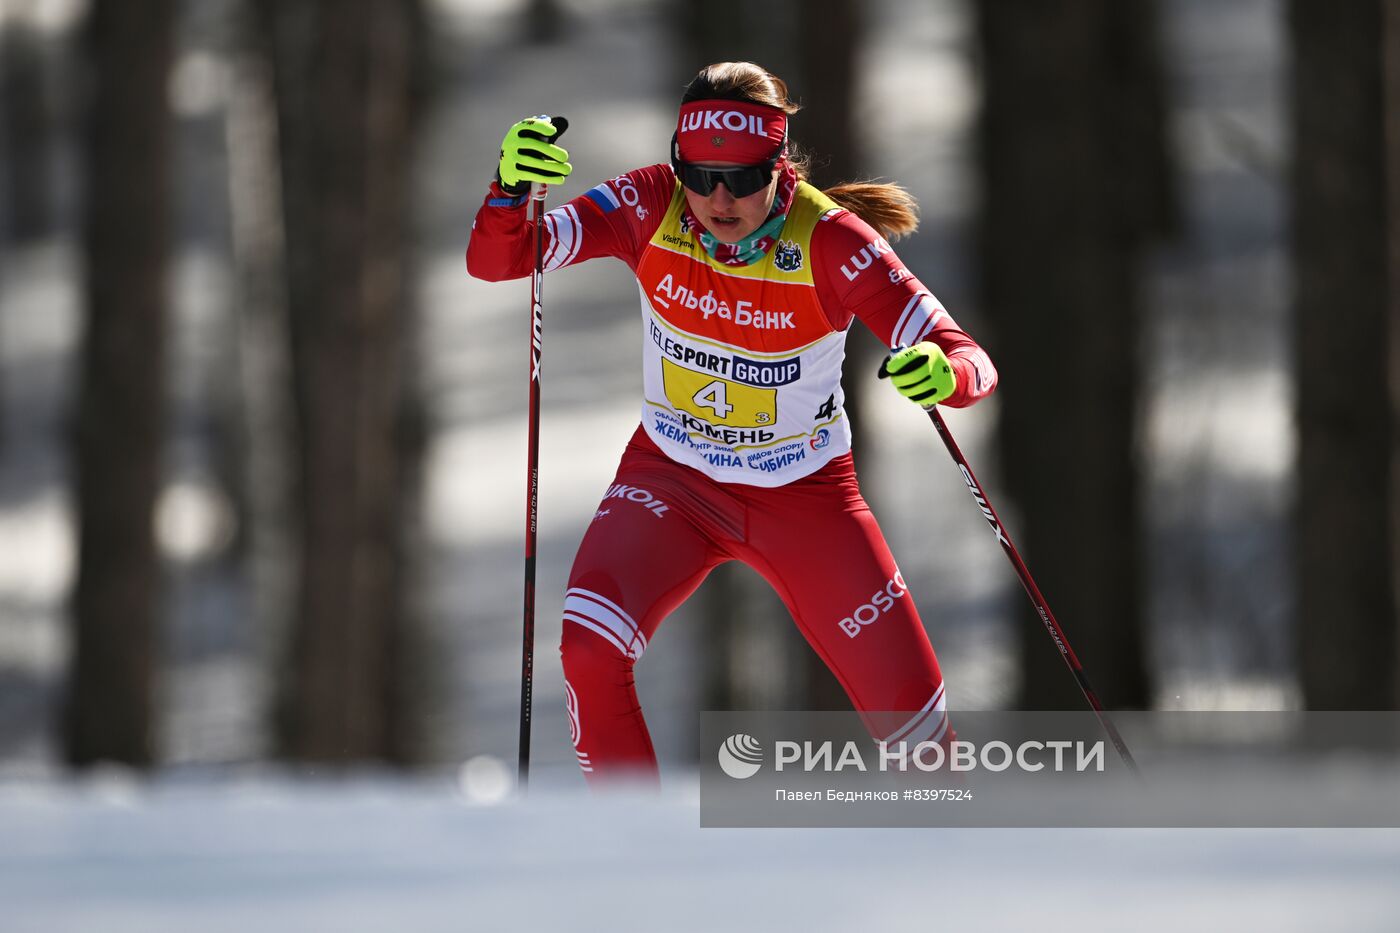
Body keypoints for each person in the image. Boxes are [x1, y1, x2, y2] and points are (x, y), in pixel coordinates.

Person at [467, 62, 997, 786]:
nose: (719, 198)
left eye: (744, 179)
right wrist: (508, 192)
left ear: (779, 168)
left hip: (806, 499)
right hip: (672, 480)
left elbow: (965, 354)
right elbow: (502, 260)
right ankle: (634, 850)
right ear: (678, 162)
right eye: (701, 173)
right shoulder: (648, 202)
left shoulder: (831, 240)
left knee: (921, 740)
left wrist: (946, 374)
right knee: (590, 645)